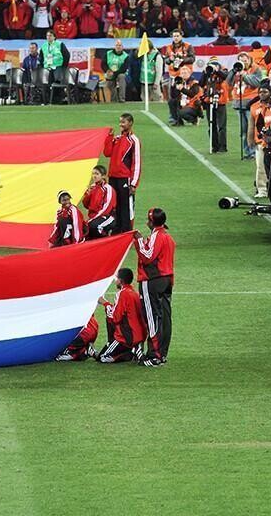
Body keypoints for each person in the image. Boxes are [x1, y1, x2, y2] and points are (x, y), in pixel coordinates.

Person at [136, 207, 176, 367]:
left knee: (152, 317)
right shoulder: (168, 237)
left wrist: (138, 240)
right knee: (165, 317)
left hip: (152, 280)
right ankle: (162, 354)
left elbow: (147, 257)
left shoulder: (157, 236)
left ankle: (154, 355)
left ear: (151, 222)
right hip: (167, 280)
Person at [97, 268, 146, 363]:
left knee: (103, 357)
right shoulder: (134, 293)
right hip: (138, 335)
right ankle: (134, 349)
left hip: (126, 337)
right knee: (103, 353)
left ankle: (130, 352)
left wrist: (105, 303)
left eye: (117, 278)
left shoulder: (122, 294)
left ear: (121, 281)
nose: (116, 280)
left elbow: (115, 318)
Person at [103, 113, 141, 232]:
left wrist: (134, 183)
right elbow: (107, 153)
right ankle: (117, 230)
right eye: (120, 122)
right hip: (113, 177)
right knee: (115, 205)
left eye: (123, 122)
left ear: (130, 123)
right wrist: (109, 137)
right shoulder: (117, 139)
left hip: (125, 179)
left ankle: (126, 231)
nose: (121, 124)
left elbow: (137, 163)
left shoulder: (134, 140)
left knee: (126, 207)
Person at [81, 166, 117, 237]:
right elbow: (86, 205)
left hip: (107, 217)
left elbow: (107, 208)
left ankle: (107, 241)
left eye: (97, 174)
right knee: (85, 229)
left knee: (94, 226)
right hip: (94, 217)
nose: (94, 176)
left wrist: (93, 219)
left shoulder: (108, 189)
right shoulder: (92, 187)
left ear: (103, 176)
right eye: (93, 174)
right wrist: (87, 195)